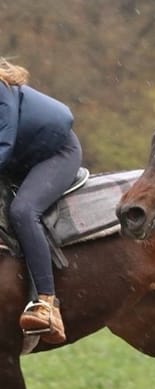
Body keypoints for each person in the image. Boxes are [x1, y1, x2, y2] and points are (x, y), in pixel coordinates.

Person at [0, 58, 82, 343]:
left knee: (23, 211)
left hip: (56, 152)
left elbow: (4, 143)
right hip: (22, 157)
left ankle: (47, 303)